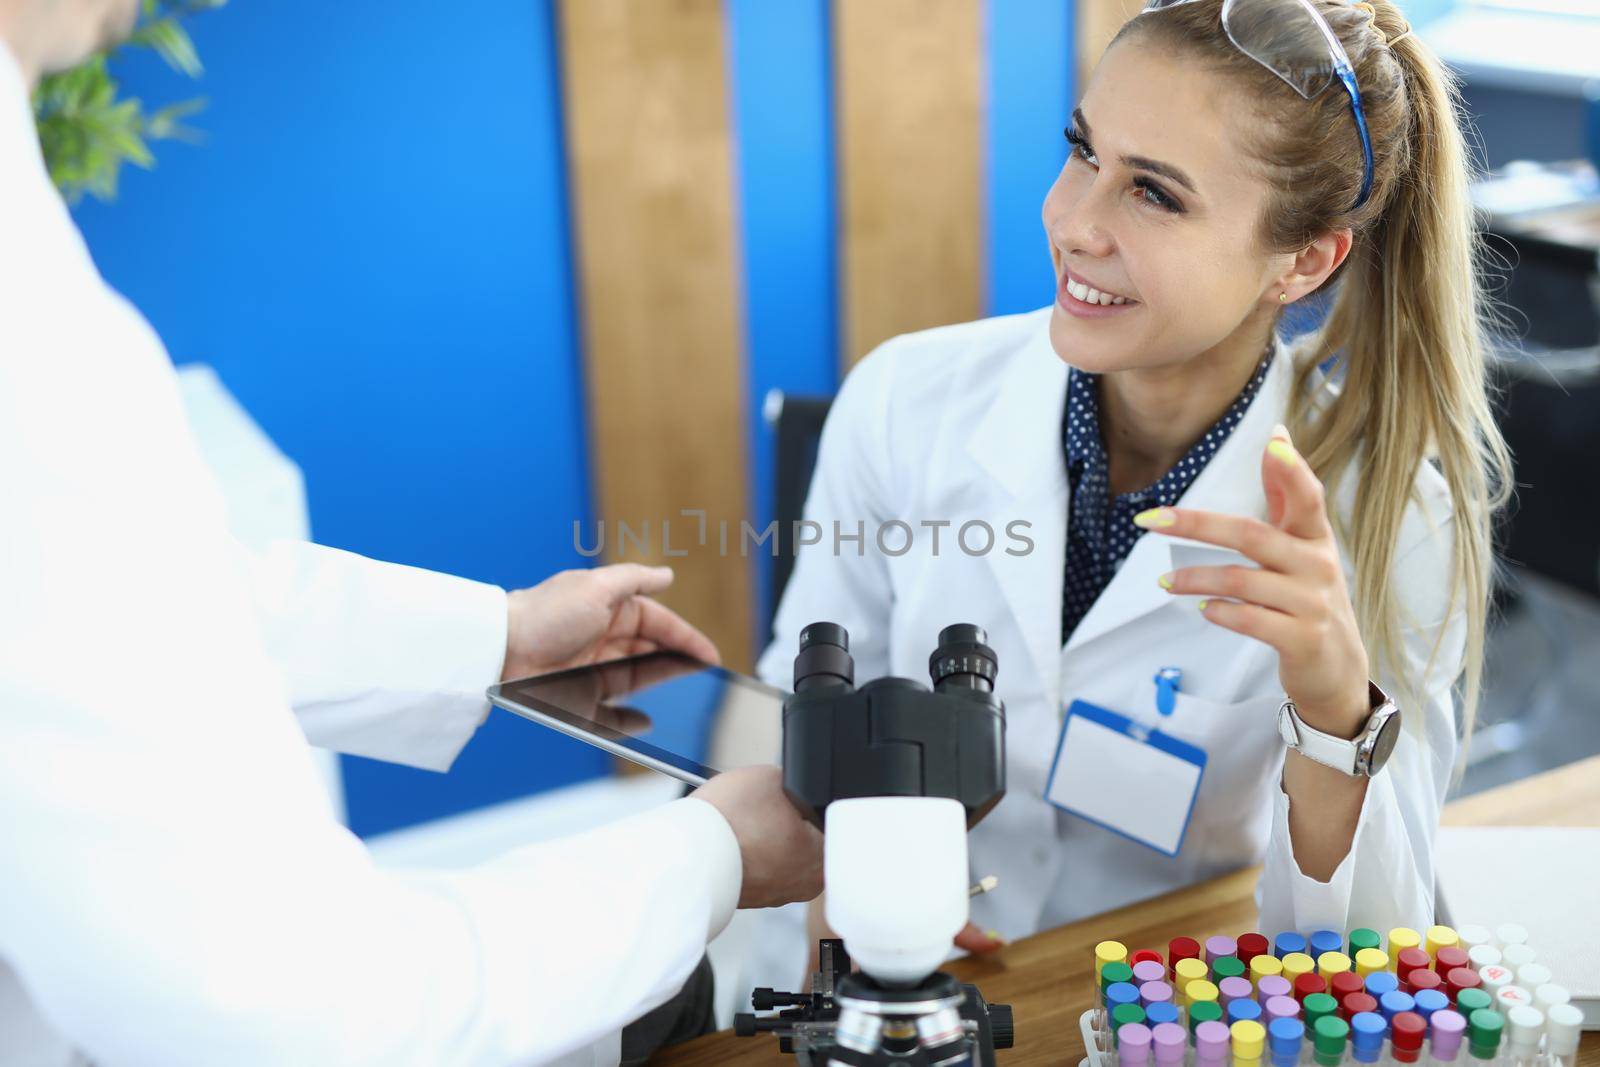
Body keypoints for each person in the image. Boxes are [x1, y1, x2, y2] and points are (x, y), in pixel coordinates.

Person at [0, 2, 822, 1064]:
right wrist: (711, 853)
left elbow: (101, 610)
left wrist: (496, 638)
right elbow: (283, 1008)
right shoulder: (37, 352)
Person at [758, 0, 1510, 983]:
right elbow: (803, 699)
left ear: (1303, 259)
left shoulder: (1388, 516)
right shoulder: (907, 395)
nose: (1071, 220)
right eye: (1084, 151)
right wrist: (844, 880)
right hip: (883, 964)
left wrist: (1332, 711)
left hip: (1159, 1004)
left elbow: (1372, 955)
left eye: (1153, 193)